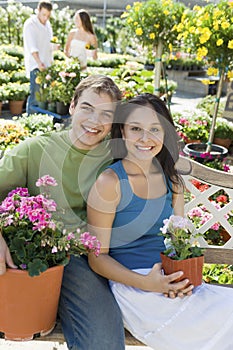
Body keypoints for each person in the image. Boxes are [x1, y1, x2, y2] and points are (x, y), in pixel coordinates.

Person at [87, 93, 233, 350]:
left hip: (171, 282)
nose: (146, 138)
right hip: (134, 288)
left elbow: (178, 244)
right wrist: (147, 283)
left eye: (155, 129)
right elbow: (97, 258)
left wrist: (183, 278)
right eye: (135, 129)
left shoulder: (171, 180)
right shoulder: (109, 183)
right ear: (122, 131)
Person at [0, 75, 125, 350]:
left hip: (96, 258)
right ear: (71, 106)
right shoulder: (34, 151)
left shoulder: (117, 156)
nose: (95, 121)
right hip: (51, 255)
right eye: (87, 108)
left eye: (106, 114)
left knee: (105, 340)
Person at [23, 0, 53, 115]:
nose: (45, 18)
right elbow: (32, 47)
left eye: (48, 15)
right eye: (43, 14)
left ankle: (41, 120)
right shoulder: (30, 24)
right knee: (35, 96)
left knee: (45, 96)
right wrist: (39, 63)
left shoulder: (48, 25)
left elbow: (48, 43)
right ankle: (31, 121)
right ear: (38, 10)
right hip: (36, 65)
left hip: (47, 65)